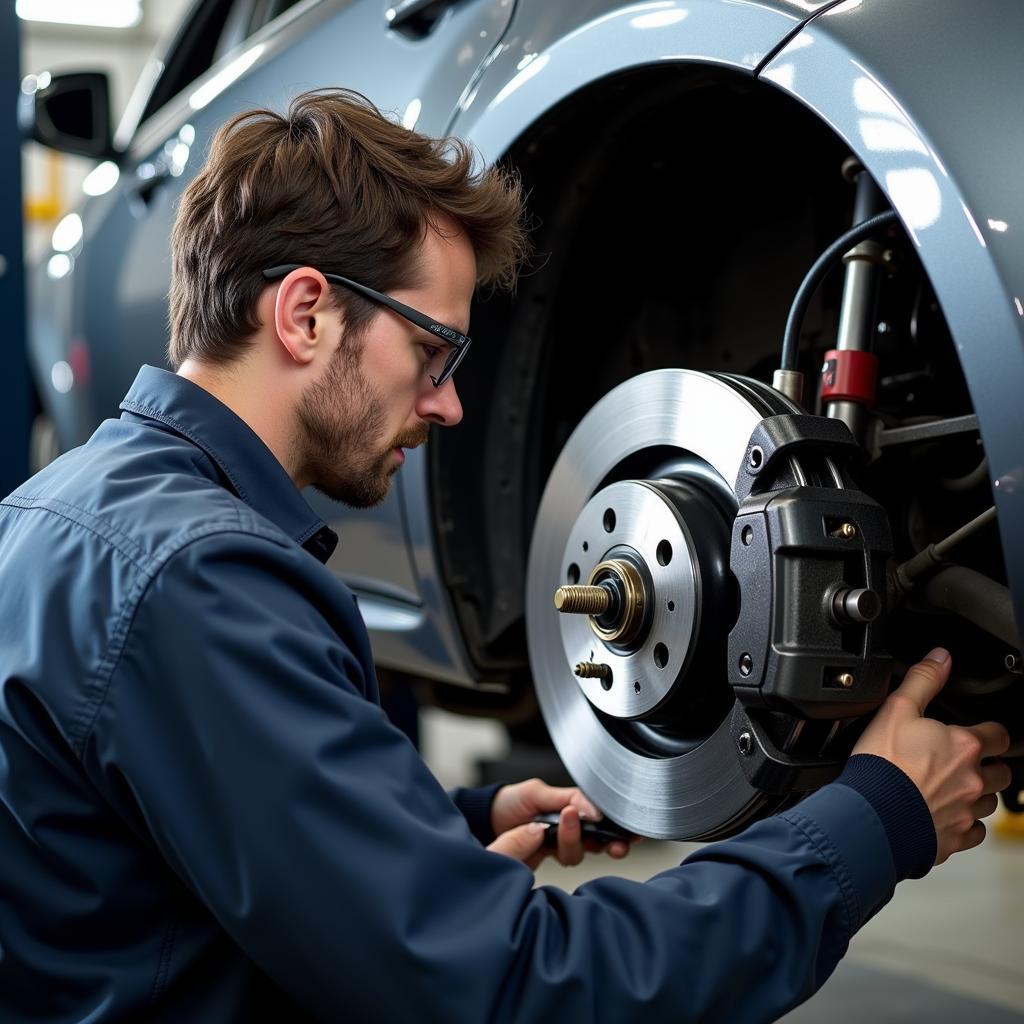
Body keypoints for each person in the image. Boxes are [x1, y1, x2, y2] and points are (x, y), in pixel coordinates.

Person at [0, 89, 1011, 1023]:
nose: (446, 405)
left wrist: (448, 823)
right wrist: (874, 820)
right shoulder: (199, 583)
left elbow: (159, 830)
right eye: (433, 353)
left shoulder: (57, 513)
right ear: (304, 312)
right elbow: (512, 986)